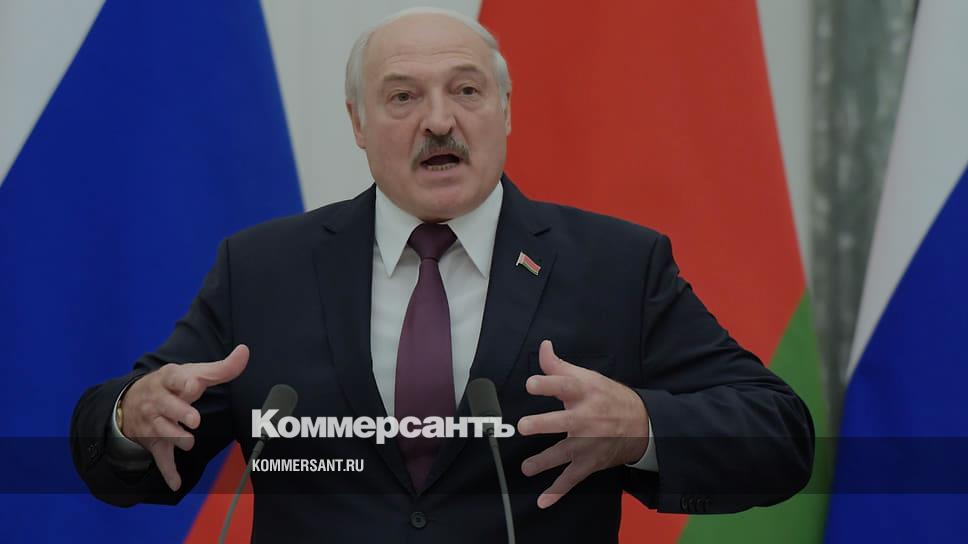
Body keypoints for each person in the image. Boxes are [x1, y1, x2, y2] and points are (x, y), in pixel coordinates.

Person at [71, 7, 814, 542]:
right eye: (403, 96)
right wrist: (131, 418)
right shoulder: (265, 269)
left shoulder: (616, 265)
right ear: (358, 124)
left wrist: (640, 427)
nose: (438, 120)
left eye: (466, 90)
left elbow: (779, 434)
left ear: (505, 111)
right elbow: (116, 450)